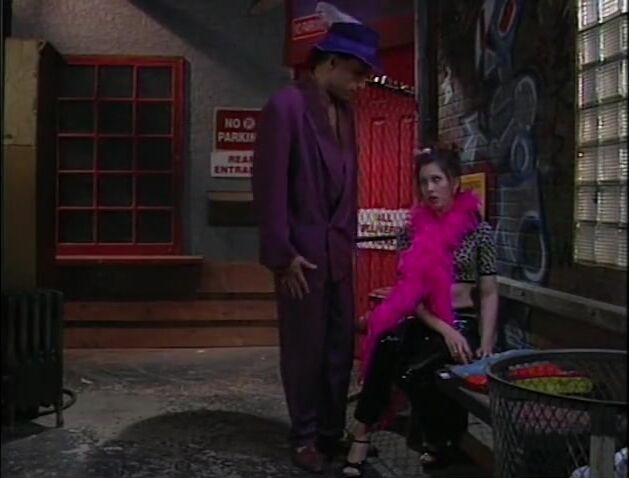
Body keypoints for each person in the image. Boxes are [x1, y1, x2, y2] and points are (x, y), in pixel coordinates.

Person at [251, 22, 382, 474]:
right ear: (330, 62)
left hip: (338, 255)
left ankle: (330, 431)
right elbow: (268, 187)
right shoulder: (286, 105)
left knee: (339, 347)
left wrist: (350, 244)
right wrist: (281, 254)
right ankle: (305, 435)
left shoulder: (345, 113)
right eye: (357, 74)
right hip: (300, 257)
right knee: (304, 349)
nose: (361, 85)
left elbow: (348, 187)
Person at [341, 146, 499, 477]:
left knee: (417, 371)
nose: (430, 189)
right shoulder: (411, 232)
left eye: (437, 180)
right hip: (429, 321)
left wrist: (486, 343)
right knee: (386, 345)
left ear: (454, 183)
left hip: (464, 323)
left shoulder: (479, 230)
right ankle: (361, 434)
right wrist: (443, 328)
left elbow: (488, 292)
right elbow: (410, 296)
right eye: (424, 182)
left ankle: (439, 440)